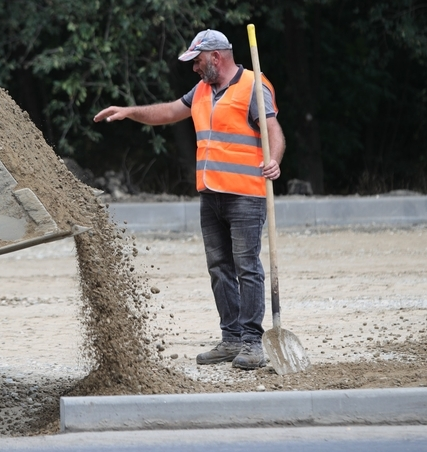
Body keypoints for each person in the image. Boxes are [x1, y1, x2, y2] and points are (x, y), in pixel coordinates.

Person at [93, 29, 285, 370]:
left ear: (216, 56)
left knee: (247, 268)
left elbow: (273, 131)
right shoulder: (202, 90)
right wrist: (129, 111)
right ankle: (231, 339)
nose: (194, 68)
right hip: (210, 193)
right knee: (219, 269)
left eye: (197, 61)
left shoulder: (253, 86)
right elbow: (168, 112)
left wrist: (275, 161)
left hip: (245, 194)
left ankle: (252, 343)